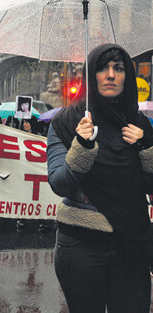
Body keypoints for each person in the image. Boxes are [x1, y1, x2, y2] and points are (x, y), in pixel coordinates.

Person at [47, 43, 153, 313]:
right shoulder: (67, 121)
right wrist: (82, 146)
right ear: (90, 76)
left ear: (127, 76)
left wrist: (146, 148)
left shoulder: (140, 125)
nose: (110, 75)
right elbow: (60, 182)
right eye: (101, 68)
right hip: (81, 247)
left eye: (118, 68)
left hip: (131, 244)